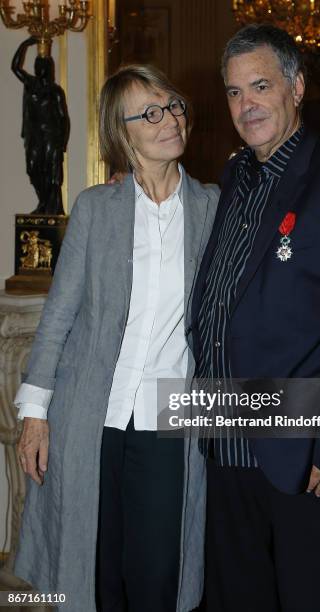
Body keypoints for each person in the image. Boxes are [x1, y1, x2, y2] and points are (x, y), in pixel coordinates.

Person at [189, 24, 320, 612]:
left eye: (259, 86)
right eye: (233, 92)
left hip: (301, 449)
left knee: (316, 597)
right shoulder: (232, 178)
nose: (245, 104)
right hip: (222, 443)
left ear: (297, 87)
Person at [13, 64, 219, 612]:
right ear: (122, 133)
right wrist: (34, 414)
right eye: (149, 113)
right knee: (92, 569)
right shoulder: (94, 209)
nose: (169, 119)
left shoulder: (212, 209)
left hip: (169, 418)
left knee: (157, 574)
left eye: (172, 105)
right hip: (89, 417)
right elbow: (58, 315)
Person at [12, 37, 69, 215]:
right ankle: (43, 202)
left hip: (51, 137)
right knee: (33, 168)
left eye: (43, 66)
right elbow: (15, 67)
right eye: (38, 66)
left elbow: (64, 118)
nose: (40, 69)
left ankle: (48, 206)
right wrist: (25, 44)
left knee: (51, 175)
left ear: (49, 69)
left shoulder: (55, 91)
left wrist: (62, 143)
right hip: (34, 136)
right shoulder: (31, 85)